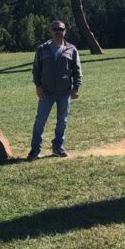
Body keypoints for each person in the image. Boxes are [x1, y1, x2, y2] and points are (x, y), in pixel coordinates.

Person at [27, 20, 82, 160]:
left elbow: (77, 70)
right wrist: (38, 86)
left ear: (65, 31)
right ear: (51, 31)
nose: (58, 31)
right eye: (55, 29)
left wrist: (76, 87)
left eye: (61, 29)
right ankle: (35, 150)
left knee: (62, 121)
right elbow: (36, 70)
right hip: (46, 92)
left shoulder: (72, 49)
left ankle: (58, 147)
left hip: (65, 93)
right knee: (40, 121)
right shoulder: (42, 49)